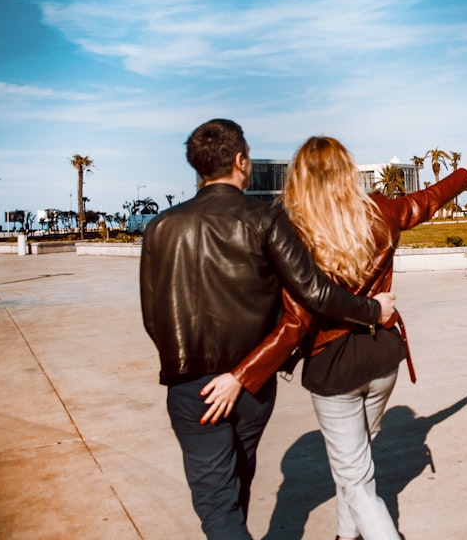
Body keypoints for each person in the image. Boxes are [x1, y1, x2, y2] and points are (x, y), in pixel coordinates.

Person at [200, 134, 467, 540]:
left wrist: (242, 375)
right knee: (357, 464)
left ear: (300, 179)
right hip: (382, 357)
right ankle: (346, 535)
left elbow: (294, 322)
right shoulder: (379, 210)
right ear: (347, 172)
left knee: (355, 479)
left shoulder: (295, 232)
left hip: (333, 367)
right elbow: (426, 201)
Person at [140, 119, 396, 539]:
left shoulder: (161, 226)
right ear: (241, 161)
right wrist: (371, 311)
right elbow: (312, 294)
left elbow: (154, 316)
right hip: (252, 384)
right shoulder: (265, 219)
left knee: (217, 501)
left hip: (191, 388)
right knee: (236, 483)